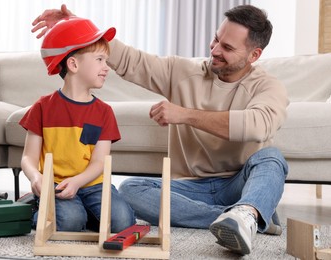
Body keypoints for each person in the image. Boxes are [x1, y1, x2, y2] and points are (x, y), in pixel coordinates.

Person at [31, 4, 289, 255]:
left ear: (254, 55)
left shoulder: (267, 86)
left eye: (227, 47)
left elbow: (259, 125)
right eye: (216, 39)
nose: (215, 49)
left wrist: (185, 115)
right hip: (187, 187)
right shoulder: (184, 72)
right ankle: (247, 215)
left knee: (272, 159)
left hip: (237, 182)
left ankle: (246, 210)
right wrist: (77, 29)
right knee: (131, 189)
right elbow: (133, 61)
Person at [20, 17, 136, 233]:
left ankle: (81, 213)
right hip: (55, 185)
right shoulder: (42, 107)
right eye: (100, 59)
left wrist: (77, 182)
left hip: (93, 184)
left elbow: (99, 162)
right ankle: (37, 207)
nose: (106, 67)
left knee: (122, 222)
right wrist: (36, 177)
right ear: (73, 64)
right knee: (70, 222)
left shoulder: (104, 112)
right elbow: (28, 157)